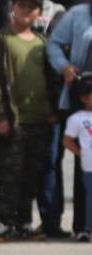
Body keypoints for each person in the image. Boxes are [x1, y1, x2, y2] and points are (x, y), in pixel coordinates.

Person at [0, 0, 56, 242]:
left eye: (32, 8)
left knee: (32, 173)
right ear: (13, 8)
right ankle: (5, 223)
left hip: (40, 118)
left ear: (38, 13)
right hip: (13, 119)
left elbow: (50, 77)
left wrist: (54, 110)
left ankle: (24, 222)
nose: (26, 11)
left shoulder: (42, 42)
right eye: (22, 6)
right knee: (9, 173)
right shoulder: (0, 39)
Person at [46, 0, 92, 238]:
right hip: (82, 93)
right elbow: (53, 44)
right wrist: (64, 67)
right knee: (84, 157)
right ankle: (83, 225)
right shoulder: (79, 14)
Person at [62, 77, 92, 242]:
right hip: (89, 165)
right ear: (83, 98)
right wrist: (81, 153)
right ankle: (88, 228)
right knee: (90, 197)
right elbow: (67, 140)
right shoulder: (77, 118)